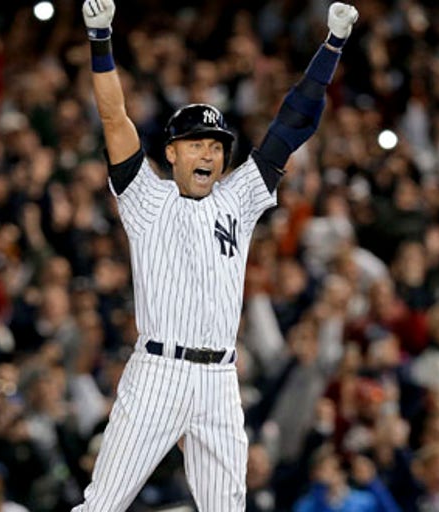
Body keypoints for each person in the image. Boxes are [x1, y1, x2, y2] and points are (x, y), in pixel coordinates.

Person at [73, 0, 359, 509]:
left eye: (216, 145)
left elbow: (292, 124)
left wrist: (331, 47)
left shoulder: (239, 196)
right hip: (157, 373)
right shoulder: (144, 197)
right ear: (171, 152)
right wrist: (101, 41)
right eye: (195, 143)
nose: (207, 153)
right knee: (101, 506)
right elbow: (114, 117)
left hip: (220, 381)